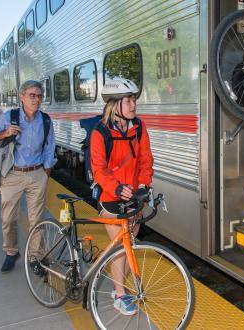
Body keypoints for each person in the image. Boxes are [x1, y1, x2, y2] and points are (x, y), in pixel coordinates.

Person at [90, 77, 153, 315]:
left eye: (134, 100)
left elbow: (146, 160)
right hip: (111, 197)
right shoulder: (100, 132)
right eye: (128, 100)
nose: (133, 105)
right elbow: (99, 169)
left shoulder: (139, 127)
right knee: (121, 250)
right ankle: (119, 295)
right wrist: (116, 188)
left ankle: (101, 271)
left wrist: (144, 185)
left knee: (128, 247)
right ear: (114, 104)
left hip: (133, 197)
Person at [0, 80, 56, 273]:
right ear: (22, 97)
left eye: (39, 96)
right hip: (12, 175)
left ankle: (35, 257)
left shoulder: (45, 120)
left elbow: (49, 148)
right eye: (32, 95)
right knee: (8, 218)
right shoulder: (9, 117)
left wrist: (45, 173)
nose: (37, 99)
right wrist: (4, 132)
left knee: (37, 219)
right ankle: (11, 252)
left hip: (37, 174)